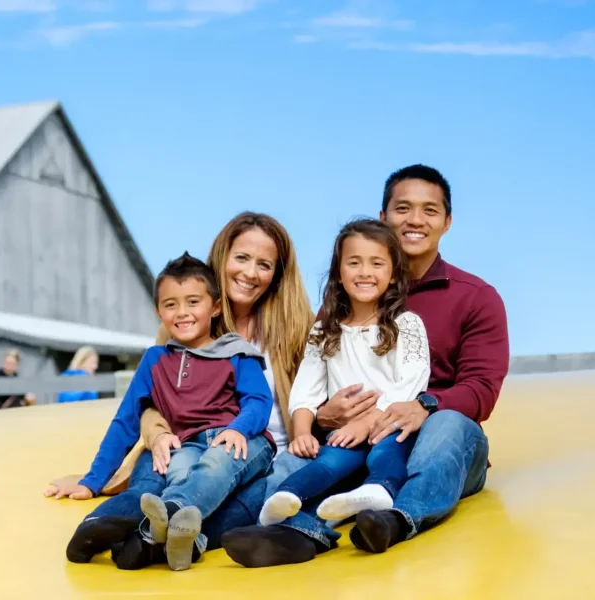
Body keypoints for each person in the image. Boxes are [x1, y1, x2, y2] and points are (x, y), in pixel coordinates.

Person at [222, 164, 509, 567]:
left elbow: (480, 391)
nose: (414, 220)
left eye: (430, 210)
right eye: (402, 208)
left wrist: (420, 405)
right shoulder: (341, 308)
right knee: (299, 462)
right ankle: (282, 532)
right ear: (383, 217)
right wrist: (322, 416)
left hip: (438, 444)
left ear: (447, 222)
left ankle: (397, 519)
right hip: (356, 441)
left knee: (446, 424)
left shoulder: (476, 297)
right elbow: (318, 378)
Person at [44, 212, 316, 569]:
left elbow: (298, 396)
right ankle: (111, 526)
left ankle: (148, 540)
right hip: (185, 442)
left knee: (240, 494)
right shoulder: (176, 336)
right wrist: (105, 471)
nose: (250, 272)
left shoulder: (294, 329)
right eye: (241, 258)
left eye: (264, 264)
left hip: (258, 450)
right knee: (161, 476)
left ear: (277, 273)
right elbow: (142, 407)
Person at [258, 218, 430, 529]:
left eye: (377, 263)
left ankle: (377, 490)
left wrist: (369, 420)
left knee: (386, 450)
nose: (365, 272)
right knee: (328, 461)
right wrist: (302, 432)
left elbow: (412, 380)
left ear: (393, 276)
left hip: (389, 425)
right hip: (346, 433)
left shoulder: (407, 324)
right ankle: (283, 498)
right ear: (339, 272)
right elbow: (305, 388)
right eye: (354, 262)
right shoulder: (325, 330)